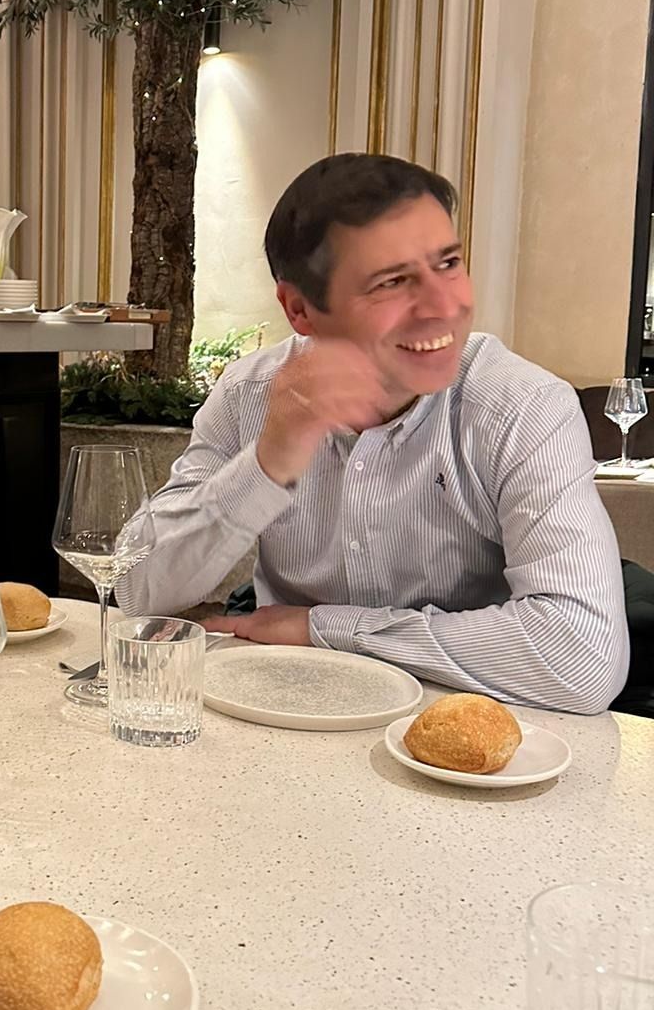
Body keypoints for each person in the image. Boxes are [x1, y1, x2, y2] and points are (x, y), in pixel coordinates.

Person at [115, 153, 629, 714]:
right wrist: (267, 462)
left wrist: (325, 628)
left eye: (449, 263)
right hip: (280, 710)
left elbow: (582, 657)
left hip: (458, 728)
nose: (446, 306)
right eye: (392, 282)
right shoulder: (248, 396)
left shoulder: (520, 405)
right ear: (300, 310)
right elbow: (136, 588)